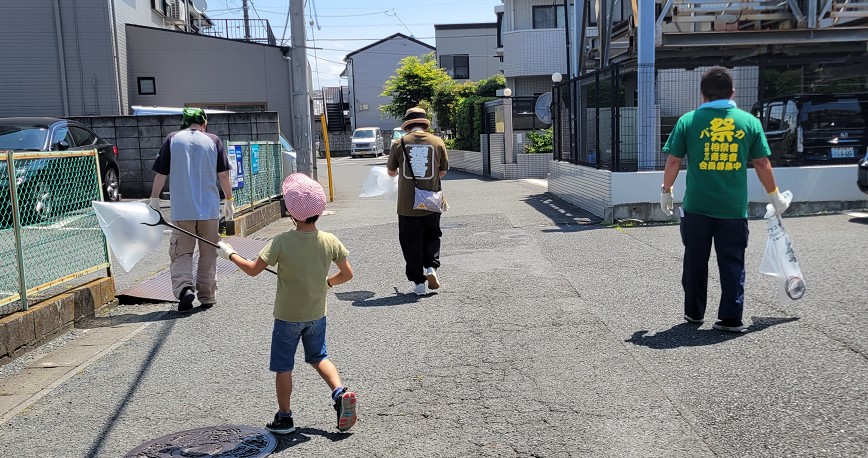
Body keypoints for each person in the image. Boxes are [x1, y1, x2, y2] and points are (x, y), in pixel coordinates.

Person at [216, 173, 357, 434]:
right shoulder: (330, 241)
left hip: (287, 318)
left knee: (283, 367)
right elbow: (348, 274)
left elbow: (252, 270)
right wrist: (327, 283)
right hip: (317, 315)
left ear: (291, 213)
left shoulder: (281, 242)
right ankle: (339, 393)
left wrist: (229, 253)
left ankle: (285, 418)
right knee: (319, 357)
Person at [659, 66, 790, 333]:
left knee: (695, 261)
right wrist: (774, 197)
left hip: (697, 207)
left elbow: (674, 159)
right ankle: (730, 318)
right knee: (732, 262)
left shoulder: (688, 121)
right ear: (732, 92)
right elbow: (762, 163)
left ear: (702, 93)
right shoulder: (749, 122)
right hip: (733, 208)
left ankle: (694, 313)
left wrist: (666, 190)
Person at [149, 107, 233, 312]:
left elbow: (161, 174)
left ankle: (185, 289)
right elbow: (223, 176)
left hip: (182, 210)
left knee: (181, 253)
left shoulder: (172, 139)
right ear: (204, 123)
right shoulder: (214, 141)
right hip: (210, 209)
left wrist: (154, 199)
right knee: (208, 252)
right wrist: (229, 200)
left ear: (184, 123)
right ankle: (207, 295)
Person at [386, 107, 449, 296]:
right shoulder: (437, 142)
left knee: (410, 241)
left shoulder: (400, 143)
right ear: (424, 124)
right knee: (432, 235)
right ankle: (431, 268)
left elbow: (391, 172)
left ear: (407, 126)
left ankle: (419, 284)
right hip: (431, 201)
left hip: (407, 204)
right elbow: (443, 171)